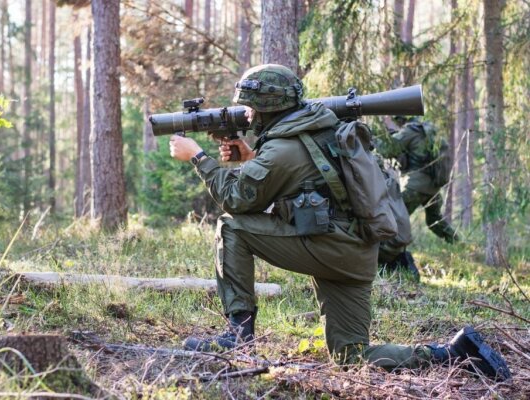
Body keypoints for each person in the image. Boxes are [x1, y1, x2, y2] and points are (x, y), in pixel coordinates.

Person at [167, 64, 510, 380]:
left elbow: (237, 199)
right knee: (351, 356)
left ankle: (237, 337)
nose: (248, 114)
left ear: (268, 108)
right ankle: (452, 353)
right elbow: (305, 173)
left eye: (251, 107)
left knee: (231, 227)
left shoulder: (284, 148)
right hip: (355, 253)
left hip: (328, 246)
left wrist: (197, 156)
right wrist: (253, 157)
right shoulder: (318, 126)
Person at [376, 116, 459, 244]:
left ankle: (392, 250)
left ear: (400, 121)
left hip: (415, 186)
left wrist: (374, 138)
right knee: (434, 221)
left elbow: (387, 150)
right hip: (433, 187)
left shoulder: (409, 131)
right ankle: (457, 242)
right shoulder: (426, 130)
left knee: (395, 217)